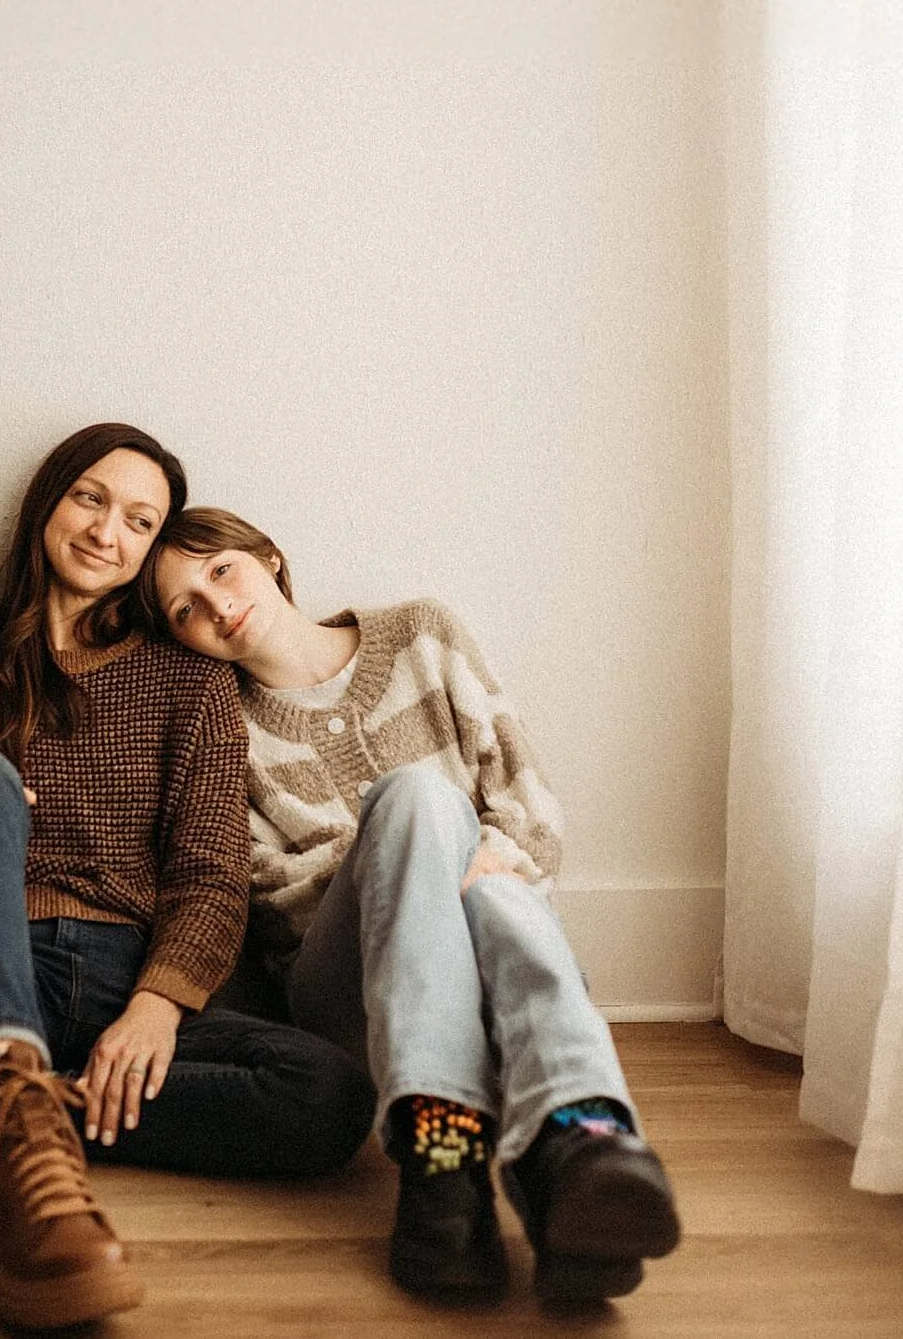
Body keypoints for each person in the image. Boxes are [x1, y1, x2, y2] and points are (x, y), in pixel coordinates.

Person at [0, 425, 372, 1330]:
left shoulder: (190, 681)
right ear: (50, 500)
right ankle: (10, 1105)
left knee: (331, 1095)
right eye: (90, 499)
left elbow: (210, 871)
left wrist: (158, 1004)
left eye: (140, 521)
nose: (107, 531)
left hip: (119, 985)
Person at [144, 507, 681, 1307]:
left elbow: (529, 806)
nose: (216, 606)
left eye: (221, 570)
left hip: (490, 943)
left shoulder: (422, 635)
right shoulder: (215, 718)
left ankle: (542, 1162)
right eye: (185, 609)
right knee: (421, 804)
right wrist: (419, 854)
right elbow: (273, 895)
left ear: (270, 557)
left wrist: (469, 865)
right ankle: (566, 1132)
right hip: (346, 998)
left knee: (497, 887)